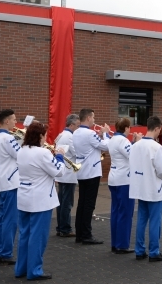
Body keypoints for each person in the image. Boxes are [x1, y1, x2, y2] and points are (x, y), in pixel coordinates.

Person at [15, 121, 66, 280]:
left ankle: (21, 269)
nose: (45, 139)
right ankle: (34, 270)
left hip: (24, 197)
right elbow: (58, 172)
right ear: (39, 136)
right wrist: (60, 156)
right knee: (38, 237)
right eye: (44, 135)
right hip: (40, 200)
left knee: (25, 235)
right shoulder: (42, 153)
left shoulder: (22, 150)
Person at [129, 116, 162, 261]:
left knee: (141, 220)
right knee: (155, 221)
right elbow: (161, 171)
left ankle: (139, 250)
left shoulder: (135, 145)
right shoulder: (157, 147)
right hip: (153, 188)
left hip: (140, 187)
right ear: (158, 128)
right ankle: (154, 252)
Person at [73, 108, 110, 245]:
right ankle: (86, 235)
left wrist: (100, 135)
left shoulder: (76, 132)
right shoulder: (89, 133)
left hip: (82, 171)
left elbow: (93, 146)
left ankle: (79, 234)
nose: (94, 120)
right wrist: (105, 134)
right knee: (89, 204)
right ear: (88, 118)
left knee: (82, 203)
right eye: (93, 117)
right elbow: (106, 146)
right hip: (92, 172)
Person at [0, 109, 21, 265]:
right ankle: (6, 252)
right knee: (10, 220)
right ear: (7, 121)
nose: (16, 122)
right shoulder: (8, 139)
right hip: (10, 182)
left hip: (4, 180)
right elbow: (21, 156)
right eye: (14, 119)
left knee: (3, 219)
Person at [108, 118, 140, 254]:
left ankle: (115, 243)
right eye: (129, 128)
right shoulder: (123, 140)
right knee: (125, 213)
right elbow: (133, 156)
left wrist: (133, 142)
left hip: (114, 178)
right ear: (126, 128)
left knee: (116, 211)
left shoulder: (113, 139)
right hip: (124, 180)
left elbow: (125, 153)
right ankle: (122, 244)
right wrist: (137, 143)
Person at [54, 114, 80, 237]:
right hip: (69, 173)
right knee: (67, 202)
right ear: (71, 125)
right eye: (77, 125)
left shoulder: (61, 134)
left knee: (62, 201)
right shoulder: (70, 136)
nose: (77, 128)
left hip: (63, 172)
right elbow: (76, 152)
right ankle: (65, 228)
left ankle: (60, 227)